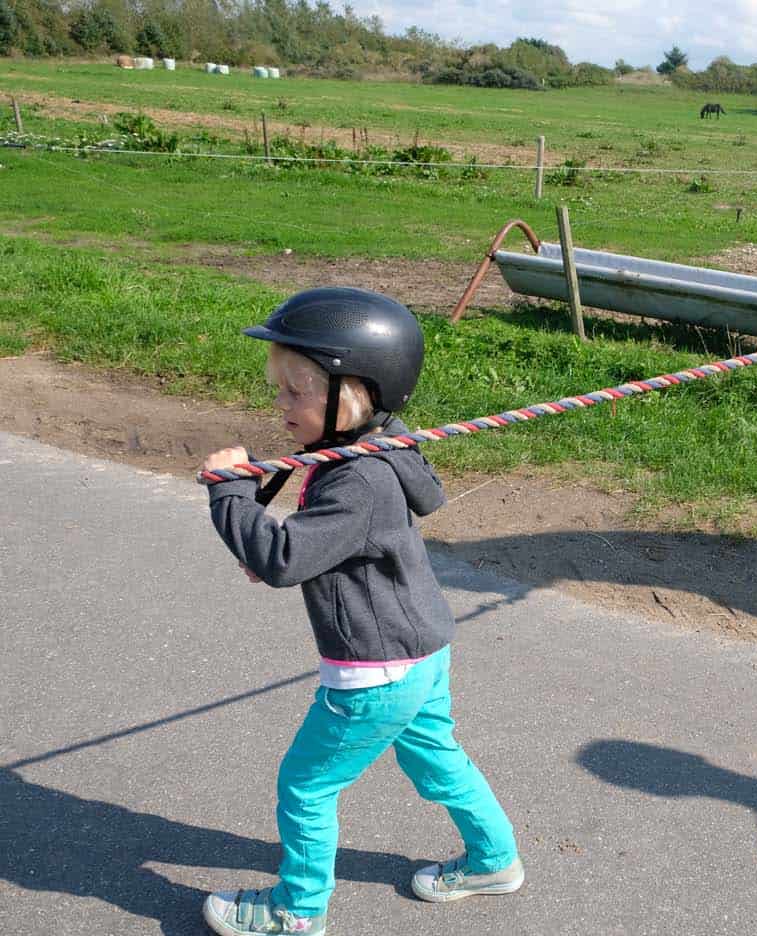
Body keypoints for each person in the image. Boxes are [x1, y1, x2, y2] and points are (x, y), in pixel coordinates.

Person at [199, 287, 521, 936]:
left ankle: (297, 911)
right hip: (421, 651)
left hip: (375, 674)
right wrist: (277, 540)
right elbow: (312, 549)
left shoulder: (360, 479)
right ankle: (495, 860)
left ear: (352, 395)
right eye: (279, 388)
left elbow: (282, 558)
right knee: (438, 760)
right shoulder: (379, 448)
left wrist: (230, 493)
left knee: (307, 787)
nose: (280, 404)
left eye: (296, 391)